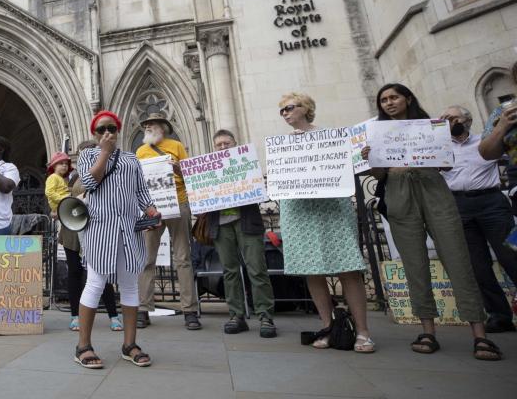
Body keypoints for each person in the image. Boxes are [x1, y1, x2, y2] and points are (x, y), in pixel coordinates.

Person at [362, 84, 501, 360]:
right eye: (384, 100)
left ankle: (479, 334)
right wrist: (370, 157)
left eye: (394, 97)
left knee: (458, 258)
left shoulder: (431, 126)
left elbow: (446, 165)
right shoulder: (378, 133)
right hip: (399, 192)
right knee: (414, 263)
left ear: (408, 98)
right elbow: (379, 175)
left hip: (433, 189)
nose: (389, 103)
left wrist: (438, 145)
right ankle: (428, 330)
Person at [278, 92, 375, 353]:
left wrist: (361, 155)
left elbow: (351, 165)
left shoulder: (331, 137)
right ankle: (329, 326)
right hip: (299, 209)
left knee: (348, 267)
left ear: (306, 108)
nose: (285, 113)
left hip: (331, 205)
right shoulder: (281, 145)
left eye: (289, 108)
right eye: (282, 111)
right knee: (312, 268)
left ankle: (363, 331)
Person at [74, 111, 161, 369]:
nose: (107, 133)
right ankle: (83, 346)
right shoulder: (87, 155)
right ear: (95, 134)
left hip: (129, 229)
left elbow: (142, 193)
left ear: (118, 129)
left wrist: (151, 211)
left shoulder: (132, 160)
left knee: (130, 285)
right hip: (101, 230)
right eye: (101, 130)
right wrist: (103, 152)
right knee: (95, 284)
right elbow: (89, 182)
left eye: (110, 128)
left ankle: (130, 344)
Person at [440, 105, 517, 333]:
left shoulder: (485, 141)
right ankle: (499, 315)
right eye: (444, 118)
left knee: (510, 256)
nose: (450, 121)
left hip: (491, 202)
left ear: (467, 120)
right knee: (478, 265)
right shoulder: (440, 149)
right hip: (458, 205)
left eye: (453, 117)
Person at [205, 129, 277, 338]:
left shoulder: (247, 164)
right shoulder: (210, 170)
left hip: (247, 223)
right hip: (221, 225)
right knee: (230, 272)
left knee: (257, 270)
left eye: (226, 143)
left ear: (235, 144)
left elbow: (261, 195)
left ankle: (265, 315)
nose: (222, 147)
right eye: (218, 145)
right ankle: (236, 315)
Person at [134, 111, 201, 331]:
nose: (148, 128)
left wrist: (175, 167)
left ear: (163, 127)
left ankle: (189, 310)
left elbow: (191, 174)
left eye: (152, 124)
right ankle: (143, 309)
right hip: (152, 208)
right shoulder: (140, 152)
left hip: (178, 202)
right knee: (147, 259)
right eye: (146, 125)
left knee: (182, 257)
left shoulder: (176, 146)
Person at [44, 150, 122, 332]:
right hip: (71, 229)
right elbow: (57, 201)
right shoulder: (68, 179)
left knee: (101, 273)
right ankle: (75, 316)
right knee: (75, 273)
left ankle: (113, 315)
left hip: (95, 228)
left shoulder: (104, 174)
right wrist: (61, 208)